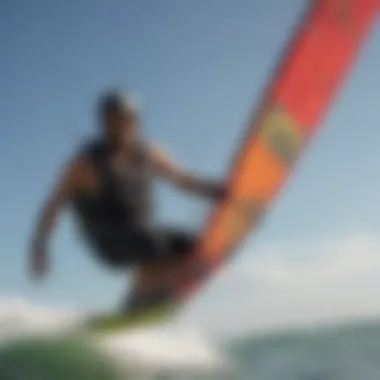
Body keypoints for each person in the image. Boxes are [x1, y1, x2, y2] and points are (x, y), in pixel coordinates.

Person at [29, 90, 227, 280]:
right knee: (151, 242)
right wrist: (39, 246)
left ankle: (154, 275)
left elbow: (182, 179)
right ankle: (152, 277)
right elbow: (53, 205)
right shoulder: (86, 163)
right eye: (114, 120)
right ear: (105, 124)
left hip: (144, 233)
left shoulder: (149, 152)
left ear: (136, 121)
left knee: (189, 244)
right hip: (109, 243)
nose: (122, 126)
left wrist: (215, 191)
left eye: (127, 119)